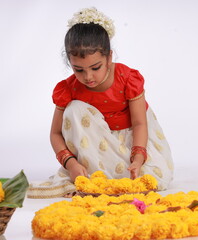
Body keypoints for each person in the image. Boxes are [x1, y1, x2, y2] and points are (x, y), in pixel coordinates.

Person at [27, 7, 174, 198]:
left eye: (95, 67)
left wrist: (137, 159)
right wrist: (71, 164)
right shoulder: (68, 89)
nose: (88, 77)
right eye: (78, 70)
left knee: (150, 177)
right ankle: (96, 173)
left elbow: (139, 123)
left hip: (133, 142)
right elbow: (55, 133)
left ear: (109, 57)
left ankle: (120, 171)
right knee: (74, 109)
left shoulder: (127, 79)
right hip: (95, 149)